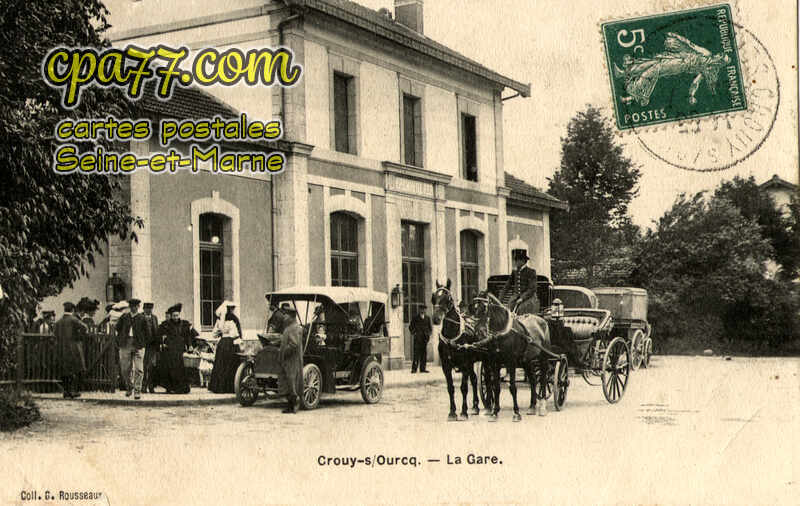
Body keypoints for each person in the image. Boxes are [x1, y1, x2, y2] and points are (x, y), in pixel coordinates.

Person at [154, 303, 198, 394]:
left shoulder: (184, 324)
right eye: (174, 315)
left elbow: (188, 336)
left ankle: (180, 388)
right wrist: (162, 343)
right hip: (169, 350)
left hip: (180, 349)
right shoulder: (165, 324)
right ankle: (170, 387)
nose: (175, 317)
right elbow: (158, 335)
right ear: (171, 316)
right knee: (170, 369)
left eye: (177, 315)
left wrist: (190, 345)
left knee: (180, 369)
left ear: (179, 315)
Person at [53, 302, 87, 398]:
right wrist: (79, 337)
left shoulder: (58, 322)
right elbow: (85, 328)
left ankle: (66, 391)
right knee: (74, 369)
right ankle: (73, 391)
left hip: (61, 348)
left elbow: (54, 334)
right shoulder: (74, 320)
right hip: (73, 348)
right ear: (72, 310)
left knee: (64, 370)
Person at [208, 301, 241, 394]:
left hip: (222, 343)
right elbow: (235, 334)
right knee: (230, 364)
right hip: (230, 343)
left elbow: (214, 334)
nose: (232, 310)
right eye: (231, 308)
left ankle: (218, 387)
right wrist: (239, 343)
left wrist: (219, 333)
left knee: (220, 364)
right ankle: (229, 387)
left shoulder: (219, 320)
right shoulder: (233, 320)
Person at [275, 307, 303, 413]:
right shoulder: (290, 327)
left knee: (291, 382)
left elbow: (294, 344)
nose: (284, 317)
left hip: (291, 359)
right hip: (288, 360)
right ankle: (290, 405)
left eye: (286, 315)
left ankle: (294, 404)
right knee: (287, 382)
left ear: (291, 317)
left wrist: (284, 352)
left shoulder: (293, 328)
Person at [116, 298, 144, 398]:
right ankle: (129, 387)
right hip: (126, 344)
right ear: (130, 307)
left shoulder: (142, 318)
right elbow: (117, 328)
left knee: (139, 369)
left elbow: (147, 332)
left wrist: (142, 342)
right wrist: (121, 339)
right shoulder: (124, 317)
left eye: (135, 306)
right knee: (124, 369)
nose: (133, 308)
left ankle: (137, 390)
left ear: (138, 307)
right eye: (132, 306)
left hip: (138, 345)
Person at [500, 250, 539, 316]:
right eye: (515, 260)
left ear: (523, 261)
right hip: (515, 297)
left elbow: (532, 288)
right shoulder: (515, 272)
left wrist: (522, 298)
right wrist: (500, 298)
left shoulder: (531, 272)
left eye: (517, 260)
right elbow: (507, 285)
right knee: (508, 310)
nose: (515, 262)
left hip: (529, 298)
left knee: (521, 309)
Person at [141, 302, 160, 394]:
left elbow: (157, 331)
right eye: (147, 309)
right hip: (143, 346)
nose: (149, 310)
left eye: (150, 309)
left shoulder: (154, 318)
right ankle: (143, 386)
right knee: (143, 367)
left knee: (152, 367)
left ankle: (151, 386)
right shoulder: (140, 317)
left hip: (153, 346)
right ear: (143, 309)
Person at [409, 305, 432, 373]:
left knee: (424, 354)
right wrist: (414, 333)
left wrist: (428, 334)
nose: (423, 311)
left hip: (424, 339)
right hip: (417, 339)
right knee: (416, 354)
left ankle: (423, 369)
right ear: (419, 310)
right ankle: (414, 369)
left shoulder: (427, 318)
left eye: (424, 309)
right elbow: (410, 327)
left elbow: (430, 328)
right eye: (422, 309)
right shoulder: (415, 318)